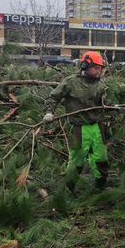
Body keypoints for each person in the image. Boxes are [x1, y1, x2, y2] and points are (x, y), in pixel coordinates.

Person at [44, 51, 109, 191]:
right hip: (79, 127)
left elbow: (104, 103)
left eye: (100, 68)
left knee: (101, 157)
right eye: (96, 68)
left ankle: (100, 187)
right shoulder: (71, 82)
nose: (99, 71)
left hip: (97, 126)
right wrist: (49, 112)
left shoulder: (100, 85)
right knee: (77, 159)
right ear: (85, 65)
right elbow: (54, 97)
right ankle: (69, 188)